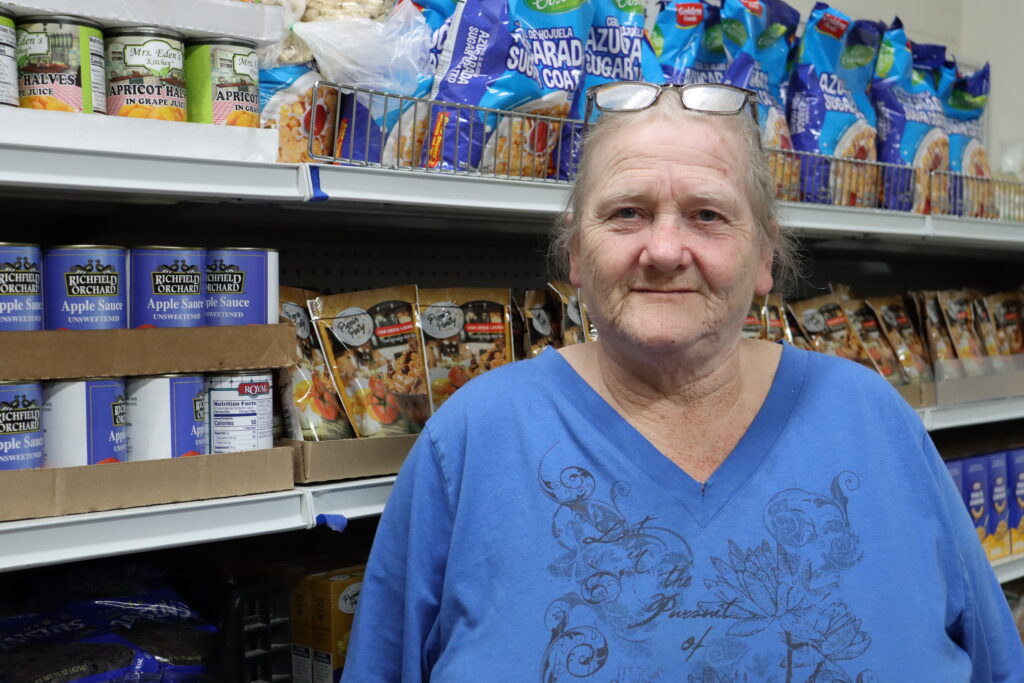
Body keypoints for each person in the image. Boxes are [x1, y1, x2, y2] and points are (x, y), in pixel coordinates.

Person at [340, 82, 1024, 682]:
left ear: (764, 256)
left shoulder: (875, 420)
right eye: (626, 212)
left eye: (707, 214)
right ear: (577, 252)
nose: (664, 250)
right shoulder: (471, 439)